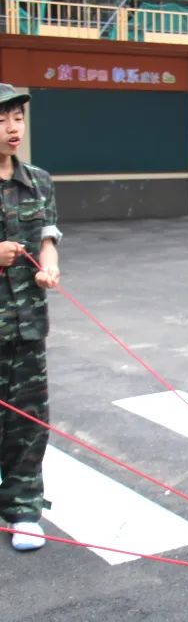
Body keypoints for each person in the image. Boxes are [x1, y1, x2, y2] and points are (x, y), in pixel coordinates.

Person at [0, 83, 61, 552]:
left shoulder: (38, 179)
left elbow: (48, 232)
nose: (12, 127)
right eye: (2, 120)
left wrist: (49, 262)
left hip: (26, 324)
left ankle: (24, 508)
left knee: (28, 418)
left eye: (17, 118)